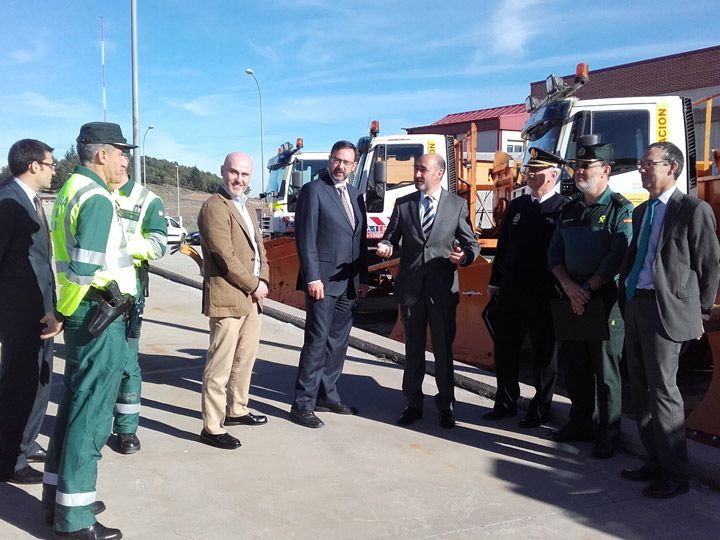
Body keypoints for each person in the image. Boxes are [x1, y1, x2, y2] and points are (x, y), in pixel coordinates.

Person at [42, 122, 138, 540]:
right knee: (92, 415)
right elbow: (83, 268)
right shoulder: (97, 197)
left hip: (83, 314)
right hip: (97, 315)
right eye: (121, 152)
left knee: (73, 407)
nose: (125, 159)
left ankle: (60, 499)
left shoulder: (70, 190)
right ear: (102, 155)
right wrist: (61, 313)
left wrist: (63, 312)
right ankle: (76, 519)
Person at [620, 142, 720, 498]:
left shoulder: (693, 210)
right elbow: (636, 258)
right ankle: (655, 460)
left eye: (649, 164)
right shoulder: (642, 211)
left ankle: (677, 474)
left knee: (664, 392)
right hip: (637, 305)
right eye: (641, 163)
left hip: (667, 312)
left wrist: (701, 313)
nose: (642, 169)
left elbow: (709, 266)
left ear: (672, 168)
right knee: (641, 390)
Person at [376, 153, 479, 429]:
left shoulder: (456, 206)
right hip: (411, 290)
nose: (417, 174)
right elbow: (391, 236)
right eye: (416, 169)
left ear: (438, 173)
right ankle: (413, 403)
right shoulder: (404, 204)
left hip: (441, 291)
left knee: (443, 351)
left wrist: (464, 256)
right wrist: (386, 245)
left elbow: (472, 244)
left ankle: (446, 405)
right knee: (413, 349)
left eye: (423, 170)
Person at [547, 140, 633, 459]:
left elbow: (617, 255)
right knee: (576, 365)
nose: (579, 171)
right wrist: (569, 286)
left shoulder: (619, 208)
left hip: (602, 299)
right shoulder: (569, 209)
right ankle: (580, 423)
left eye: (587, 166)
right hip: (570, 297)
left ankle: (608, 431)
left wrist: (589, 288)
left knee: (605, 371)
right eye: (577, 166)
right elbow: (554, 252)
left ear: (606, 170)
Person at [484, 148, 569, 427]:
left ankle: (540, 407)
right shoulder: (519, 207)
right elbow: (505, 247)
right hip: (512, 290)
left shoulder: (563, 207)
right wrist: (495, 282)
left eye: (538, 170)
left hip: (544, 292)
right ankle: (505, 401)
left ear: (553, 175)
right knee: (505, 347)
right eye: (530, 170)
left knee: (544, 352)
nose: (531, 174)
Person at [290, 140, 367, 428]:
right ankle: (302, 404)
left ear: (354, 166)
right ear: (329, 159)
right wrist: (312, 276)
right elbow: (305, 237)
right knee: (317, 342)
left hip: (348, 283)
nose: (340, 166)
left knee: (338, 343)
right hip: (321, 281)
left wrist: (363, 279)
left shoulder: (356, 195)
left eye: (347, 162)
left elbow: (359, 241)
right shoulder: (314, 191)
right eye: (337, 160)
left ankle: (328, 394)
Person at [0, 140, 63, 485]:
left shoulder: (30, 201)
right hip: (18, 315)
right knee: (18, 386)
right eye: (51, 164)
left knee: (40, 382)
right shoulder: (8, 203)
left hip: (40, 313)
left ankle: (26, 441)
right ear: (34, 166)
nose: (54, 170)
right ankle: (9, 460)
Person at [197, 152, 269, 450]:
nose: (239, 179)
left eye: (245, 175)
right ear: (222, 171)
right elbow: (223, 256)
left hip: (252, 297)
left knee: (245, 358)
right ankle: (212, 426)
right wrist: (254, 284)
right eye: (234, 173)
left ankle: (236, 408)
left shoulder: (247, 207)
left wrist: (263, 278)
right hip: (229, 296)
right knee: (221, 363)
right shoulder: (214, 207)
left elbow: (260, 247)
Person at [110, 175, 168, 454]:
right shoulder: (91, 191)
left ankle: (125, 428)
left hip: (127, 296)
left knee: (127, 364)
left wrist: (118, 246)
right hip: (87, 294)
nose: (121, 160)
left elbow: (158, 245)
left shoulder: (146, 200)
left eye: (123, 153)